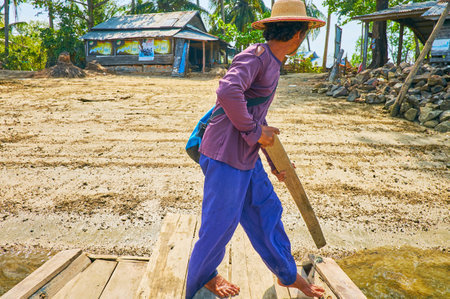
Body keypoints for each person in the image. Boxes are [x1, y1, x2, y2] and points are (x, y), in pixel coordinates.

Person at [185, 0, 326, 297]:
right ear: (299, 34)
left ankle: (287, 274)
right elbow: (226, 90)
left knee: (266, 210)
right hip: (224, 154)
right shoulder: (257, 56)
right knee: (218, 228)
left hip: (246, 155)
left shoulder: (272, 62)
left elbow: (254, 114)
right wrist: (254, 132)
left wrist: (271, 157)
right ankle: (199, 283)